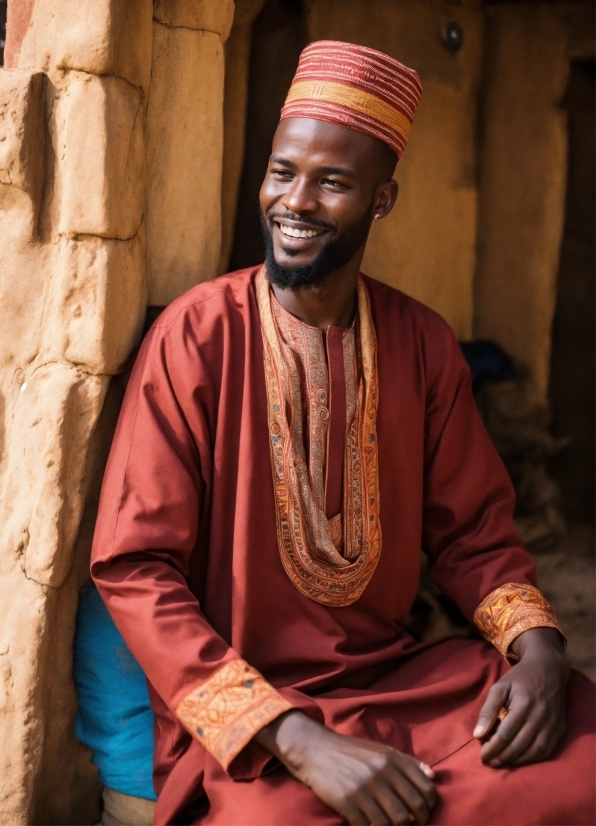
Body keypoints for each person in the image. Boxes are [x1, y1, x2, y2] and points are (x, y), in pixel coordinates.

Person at [91, 41, 595, 825]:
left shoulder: (423, 343)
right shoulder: (197, 335)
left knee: (581, 752)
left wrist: (540, 652)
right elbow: (135, 566)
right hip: (249, 711)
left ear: (381, 200)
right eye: (282, 172)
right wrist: (296, 738)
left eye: (332, 182)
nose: (295, 201)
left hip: (403, 679)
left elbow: (474, 537)